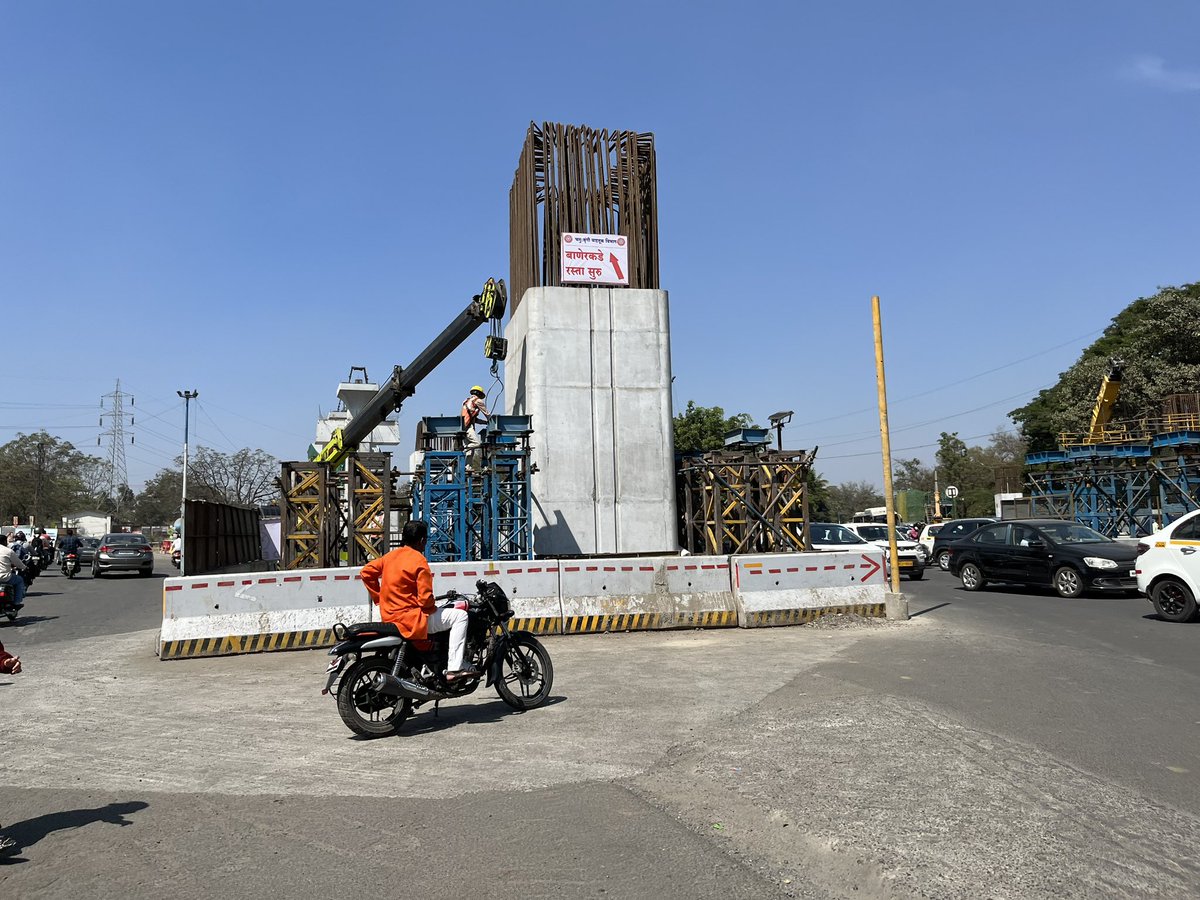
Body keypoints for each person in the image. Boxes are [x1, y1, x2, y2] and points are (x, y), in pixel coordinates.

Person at [359, 520, 478, 681]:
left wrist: (379, 598)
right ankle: (454, 668)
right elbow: (425, 600)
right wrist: (432, 606)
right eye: (426, 539)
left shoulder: (390, 557)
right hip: (411, 620)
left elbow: (366, 573)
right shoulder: (419, 560)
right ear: (422, 540)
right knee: (461, 616)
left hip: (389, 617)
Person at [461, 385, 490, 472]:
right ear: (479, 394)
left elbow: (474, 419)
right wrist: (492, 421)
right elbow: (487, 413)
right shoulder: (478, 401)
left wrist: (485, 422)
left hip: (463, 427)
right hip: (468, 427)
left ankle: (468, 467)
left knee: (471, 451)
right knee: (477, 443)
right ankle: (463, 449)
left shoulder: (466, 401)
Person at [0, 534, 27, 611]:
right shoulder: (8, 551)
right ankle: (16, 603)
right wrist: (25, 568)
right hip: (4, 577)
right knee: (19, 580)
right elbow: (18, 563)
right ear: (4, 542)